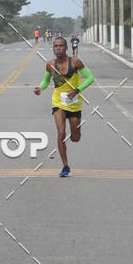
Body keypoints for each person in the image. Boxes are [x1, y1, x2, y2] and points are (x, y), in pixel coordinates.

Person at [33, 36, 94, 177]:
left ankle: (76, 132)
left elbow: (90, 78)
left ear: (66, 48)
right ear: (53, 49)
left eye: (61, 45)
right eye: (55, 46)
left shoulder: (76, 63)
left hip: (74, 104)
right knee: (61, 133)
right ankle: (65, 166)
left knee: (75, 137)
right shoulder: (50, 65)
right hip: (58, 102)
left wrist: (77, 90)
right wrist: (40, 89)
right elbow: (46, 81)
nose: (58, 48)